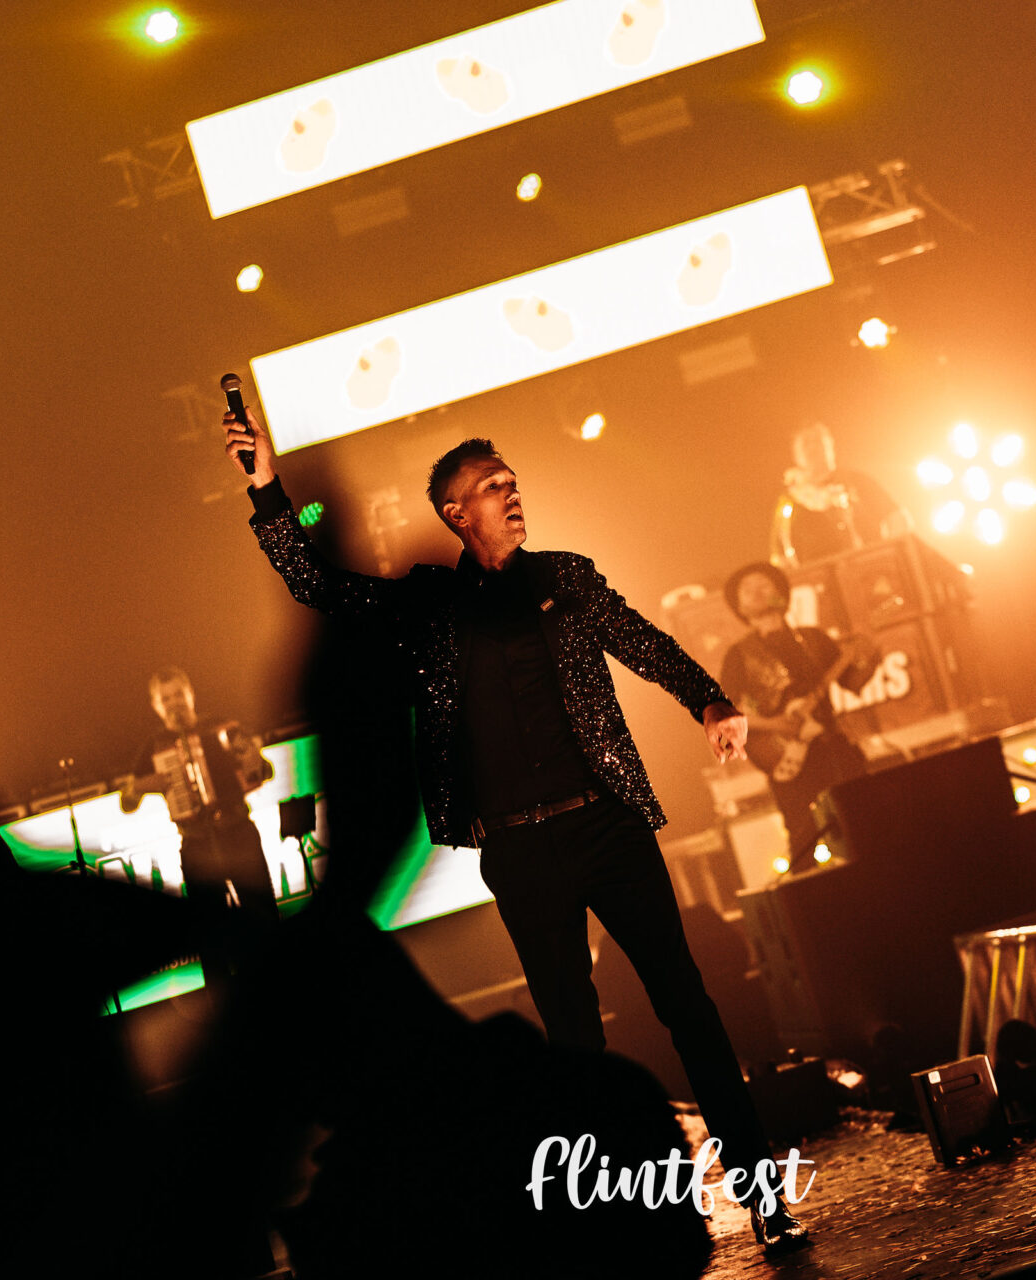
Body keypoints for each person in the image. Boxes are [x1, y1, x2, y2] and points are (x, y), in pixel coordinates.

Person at [223, 411, 811, 1255]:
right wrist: (265, 488)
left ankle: (765, 1197)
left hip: (607, 823)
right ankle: (609, 1234)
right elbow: (318, 586)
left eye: (513, 480)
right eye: (492, 485)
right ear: (456, 512)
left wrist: (709, 699)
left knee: (689, 1005)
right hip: (520, 848)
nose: (512, 492)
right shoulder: (430, 603)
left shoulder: (566, 577)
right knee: (574, 1042)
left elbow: (640, 640)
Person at [121, 667, 279, 986]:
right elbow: (126, 803)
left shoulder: (223, 727)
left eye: (178, 695)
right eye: (166, 699)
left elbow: (264, 770)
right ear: (156, 706)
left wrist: (257, 763)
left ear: (191, 694)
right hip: (196, 844)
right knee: (210, 934)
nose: (174, 703)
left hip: (238, 833)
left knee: (263, 918)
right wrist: (139, 788)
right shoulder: (154, 746)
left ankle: (278, 987)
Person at [718, 561, 876, 861]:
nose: (757, 592)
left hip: (833, 746)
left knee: (865, 825)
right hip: (788, 759)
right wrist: (777, 725)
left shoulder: (813, 638)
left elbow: (853, 682)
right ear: (739, 606)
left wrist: (871, 652)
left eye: (764, 585)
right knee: (804, 842)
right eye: (747, 590)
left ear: (781, 595)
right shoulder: (738, 656)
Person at [769, 421, 911, 569]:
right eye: (806, 444)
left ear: (830, 446)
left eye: (817, 441)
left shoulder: (857, 482)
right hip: (818, 577)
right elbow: (779, 554)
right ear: (796, 455)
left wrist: (891, 555)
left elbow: (896, 517)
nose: (812, 447)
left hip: (872, 567)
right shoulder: (789, 501)